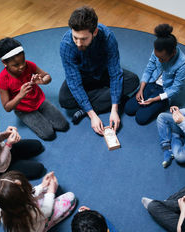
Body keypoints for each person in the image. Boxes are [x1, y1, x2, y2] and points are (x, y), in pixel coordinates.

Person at [59, 6, 139, 135]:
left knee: (133, 81)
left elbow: (115, 73)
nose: (78, 43)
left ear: (94, 32)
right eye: (75, 37)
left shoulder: (108, 37)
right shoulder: (66, 45)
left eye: (83, 39)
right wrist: (92, 115)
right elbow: (74, 81)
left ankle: (91, 102)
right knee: (65, 100)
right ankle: (106, 96)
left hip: (102, 72)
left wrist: (114, 109)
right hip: (82, 76)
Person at [0, 37, 69, 140]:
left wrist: (43, 80)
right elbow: (7, 107)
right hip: (24, 110)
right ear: (5, 63)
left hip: (39, 101)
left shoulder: (29, 65)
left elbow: (47, 76)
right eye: (16, 65)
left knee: (64, 126)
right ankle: (26, 118)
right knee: (49, 135)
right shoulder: (2, 80)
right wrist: (20, 95)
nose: (22, 66)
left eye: (23, 61)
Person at [125, 23, 185, 125]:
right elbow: (149, 69)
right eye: (157, 57)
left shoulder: (182, 62)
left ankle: (160, 105)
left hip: (164, 92)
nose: (159, 60)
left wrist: (154, 99)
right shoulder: (158, 50)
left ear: (172, 54)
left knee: (141, 118)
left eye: (162, 59)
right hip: (151, 83)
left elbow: (175, 89)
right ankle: (147, 97)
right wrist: (141, 89)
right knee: (128, 109)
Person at [0, 170, 76, 232]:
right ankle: (48, 225)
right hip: (37, 226)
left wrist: (42, 186)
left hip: (27, 222)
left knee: (49, 187)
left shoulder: (1, 205)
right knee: (71, 197)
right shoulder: (29, 214)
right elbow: (46, 212)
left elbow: (29, 195)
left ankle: (47, 191)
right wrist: (51, 192)